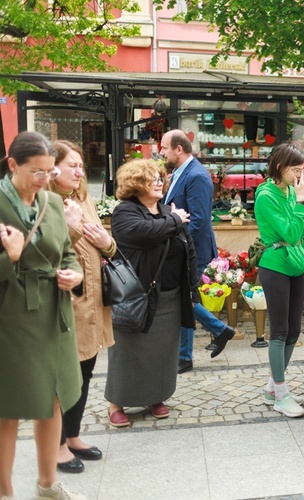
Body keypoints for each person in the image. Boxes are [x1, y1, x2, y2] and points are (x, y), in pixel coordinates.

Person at [0, 131, 86, 500]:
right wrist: (11, 258)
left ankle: (47, 485)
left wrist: (74, 274)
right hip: (11, 318)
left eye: (50, 172)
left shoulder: (52, 202)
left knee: (53, 397)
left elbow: (66, 252)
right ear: (12, 165)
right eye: (37, 172)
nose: (44, 180)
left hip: (55, 312)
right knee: (8, 407)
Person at [106, 159, 197, 428]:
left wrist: (192, 285)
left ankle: (155, 396)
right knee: (127, 350)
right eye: (152, 178)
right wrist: (175, 219)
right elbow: (146, 233)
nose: (159, 182)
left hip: (170, 294)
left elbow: (188, 247)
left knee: (162, 351)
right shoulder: (125, 212)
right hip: (135, 295)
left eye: (160, 178)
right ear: (136, 184)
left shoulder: (168, 212)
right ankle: (116, 402)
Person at [49, 141, 116, 474]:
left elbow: (105, 241)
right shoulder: (43, 202)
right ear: (52, 168)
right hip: (64, 304)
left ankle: (72, 436)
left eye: (81, 166)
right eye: (71, 165)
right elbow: (46, 253)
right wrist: (72, 227)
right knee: (63, 377)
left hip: (92, 302)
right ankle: (56, 446)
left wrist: (108, 244)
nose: (79, 171)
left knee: (85, 371)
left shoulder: (83, 199)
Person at [161, 129, 235, 375]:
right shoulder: (180, 173)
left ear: (178, 150)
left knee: (183, 299)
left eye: (164, 148)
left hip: (192, 251)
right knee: (184, 299)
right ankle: (217, 333)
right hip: (182, 249)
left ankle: (186, 355)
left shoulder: (197, 176)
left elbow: (200, 221)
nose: (161, 152)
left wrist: (177, 248)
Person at [253, 143, 304, 418]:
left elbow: (303, 232)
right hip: (275, 265)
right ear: (280, 167)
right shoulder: (266, 195)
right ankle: (281, 393)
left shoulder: (292, 190)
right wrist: (301, 201)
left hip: (296, 264)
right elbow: (289, 234)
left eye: (303, 170)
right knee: (278, 331)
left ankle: (272, 389)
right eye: (296, 170)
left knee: (294, 331)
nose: (300, 176)